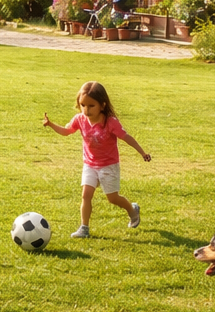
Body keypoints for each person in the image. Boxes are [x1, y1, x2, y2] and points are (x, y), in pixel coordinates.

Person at [42, 81, 150, 238]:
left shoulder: (110, 122)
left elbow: (127, 138)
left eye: (91, 105)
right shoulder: (80, 119)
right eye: (83, 105)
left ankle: (133, 210)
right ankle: (84, 228)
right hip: (90, 164)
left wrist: (142, 152)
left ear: (102, 105)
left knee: (112, 198)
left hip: (108, 166)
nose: (86, 110)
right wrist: (50, 124)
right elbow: (66, 131)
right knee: (86, 194)